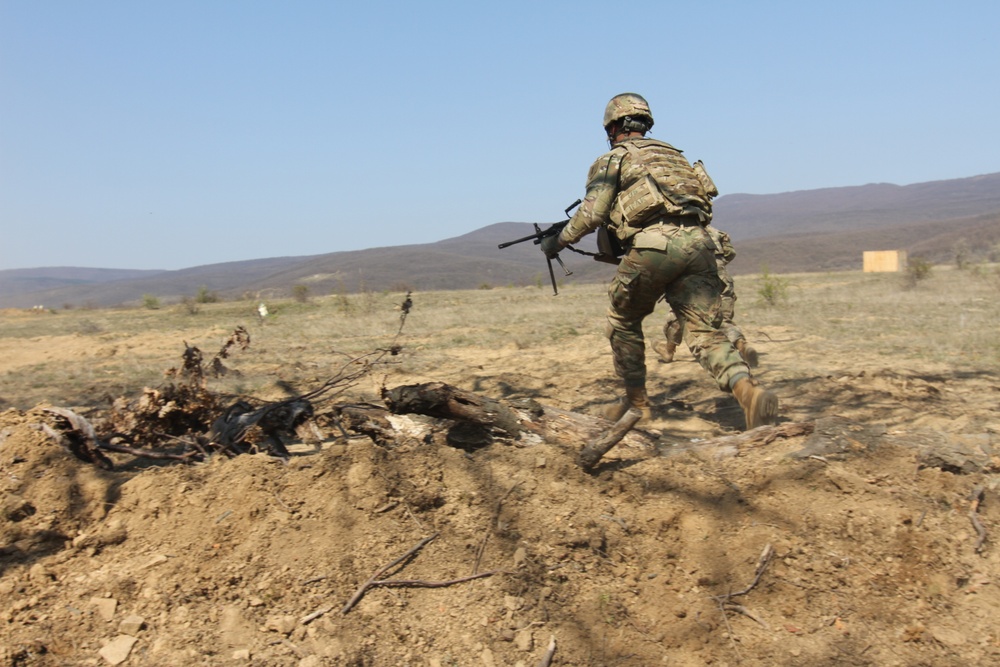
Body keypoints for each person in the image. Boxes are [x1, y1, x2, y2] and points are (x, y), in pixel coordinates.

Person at [540, 93, 777, 430]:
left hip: (655, 247)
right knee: (704, 332)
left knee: (622, 321)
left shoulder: (614, 159)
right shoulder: (674, 158)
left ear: (613, 126)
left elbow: (592, 213)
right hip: (701, 245)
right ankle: (748, 392)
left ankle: (637, 405)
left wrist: (557, 241)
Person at [654, 224, 759, 367]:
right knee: (723, 320)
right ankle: (742, 346)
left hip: (697, 281)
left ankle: (668, 351)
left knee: (678, 315)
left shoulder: (680, 233)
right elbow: (730, 253)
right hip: (722, 279)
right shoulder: (717, 232)